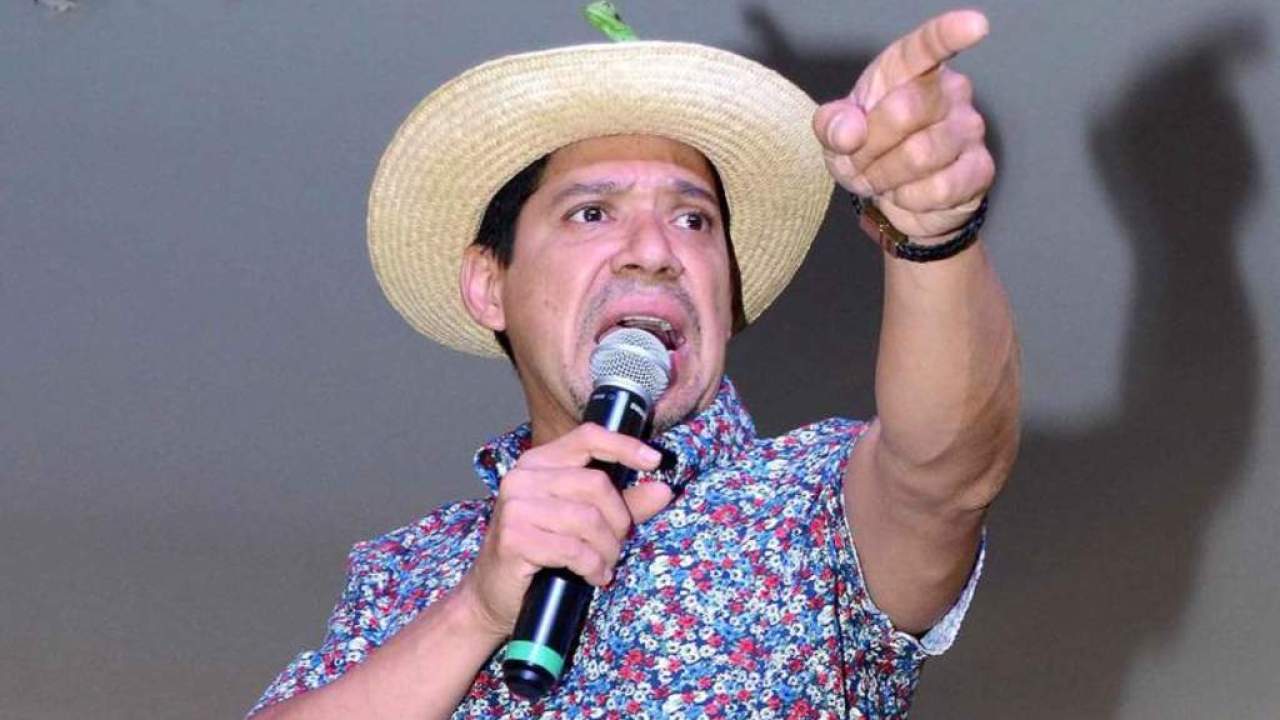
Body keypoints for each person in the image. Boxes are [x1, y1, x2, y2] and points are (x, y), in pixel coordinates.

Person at [248, 7, 1019, 719]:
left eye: (693, 219)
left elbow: (943, 473)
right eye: (592, 213)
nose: (654, 252)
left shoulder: (811, 507)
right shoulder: (407, 572)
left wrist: (934, 235)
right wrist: (475, 610)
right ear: (489, 285)